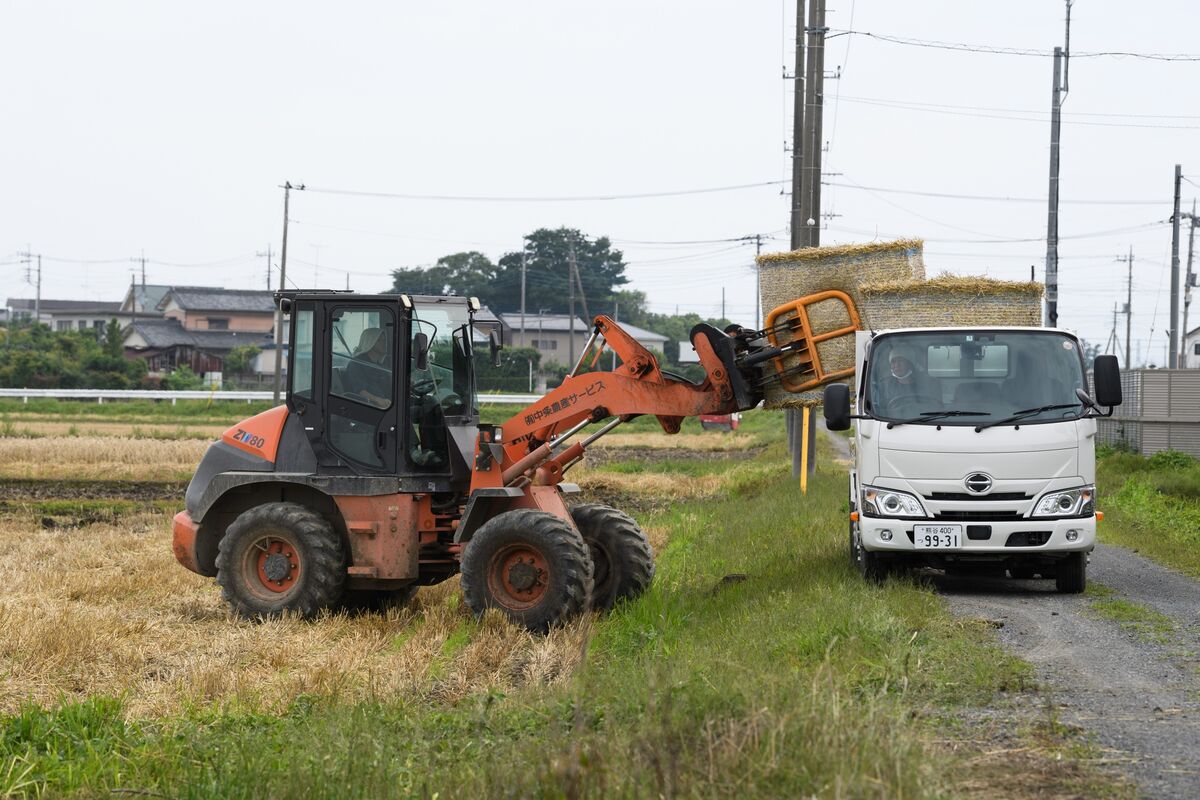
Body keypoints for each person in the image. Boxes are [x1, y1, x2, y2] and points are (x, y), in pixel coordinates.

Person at [878, 344, 937, 411]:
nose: (897, 365)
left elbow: (931, 407)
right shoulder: (884, 385)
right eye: (893, 362)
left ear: (910, 364)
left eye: (901, 361)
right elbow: (881, 410)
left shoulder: (925, 384)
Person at [348, 327, 392, 408]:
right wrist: (378, 400)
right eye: (379, 340)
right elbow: (360, 391)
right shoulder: (356, 364)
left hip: (388, 404)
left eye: (384, 340)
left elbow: (389, 386)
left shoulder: (380, 366)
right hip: (371, 408)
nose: (384, 343)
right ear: (370, 342)